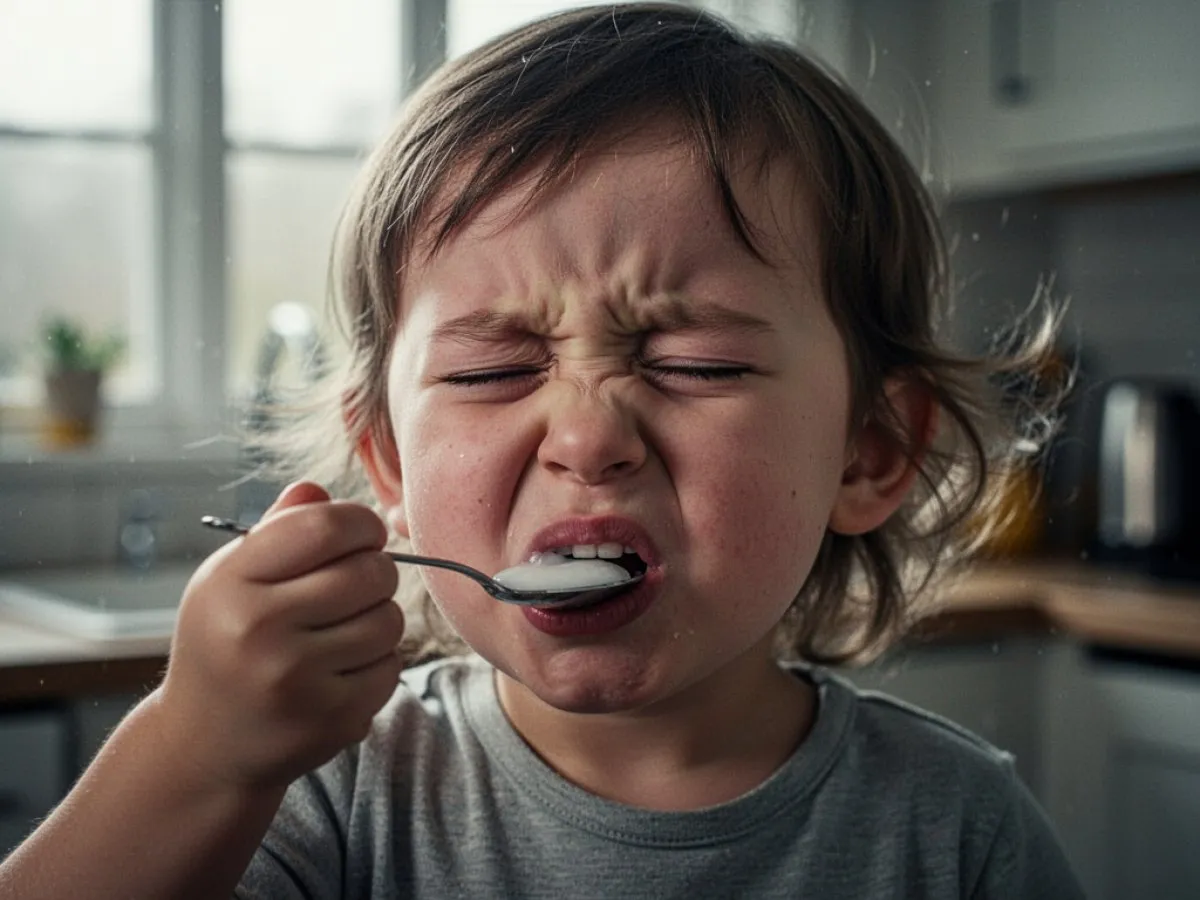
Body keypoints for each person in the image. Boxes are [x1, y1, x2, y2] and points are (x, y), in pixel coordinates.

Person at [0, 4, 1084, 898]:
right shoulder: (321, 796)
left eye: (698, 365)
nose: (586, 438)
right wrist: (193, 756)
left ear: (872, 453)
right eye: (486, 373)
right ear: (388, 466)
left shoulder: (957, 833)